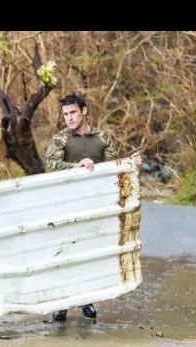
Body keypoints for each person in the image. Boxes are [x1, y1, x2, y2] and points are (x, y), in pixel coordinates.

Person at [44, 93, 142, 323]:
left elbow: (115, 171)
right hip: (65, 206)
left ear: (84, 111)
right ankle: (62, 303)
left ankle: (86, 300)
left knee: (88, 253)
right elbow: (50, 167)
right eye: (65, 114)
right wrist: (76, 166)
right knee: (64, 253)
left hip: (94, 206)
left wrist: (133, 165)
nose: (69, 118)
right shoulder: (61, 140)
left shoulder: (103, 139)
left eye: (73, 113)